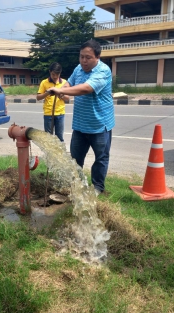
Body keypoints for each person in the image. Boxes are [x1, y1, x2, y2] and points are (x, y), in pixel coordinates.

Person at [48, 39, 115, 196]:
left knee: (101, 158)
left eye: (88, 57)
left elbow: (86, 88)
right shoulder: (78, 69)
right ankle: (77, 187)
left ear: (97, 57)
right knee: (76, 160)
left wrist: (60, 92)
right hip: (79, 125)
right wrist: (60, 89)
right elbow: (69, 84)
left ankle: (98, 187)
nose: (83, 61)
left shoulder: (103, 71)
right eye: (81, 56)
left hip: (99, 125)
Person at [36, 62, 69, 142]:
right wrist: (47, 93)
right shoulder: (44, 82)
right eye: (53, 74)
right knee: (48, 137)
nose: (55, 77)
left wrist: (59, 94)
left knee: (59, 137)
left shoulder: (64, 82)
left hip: (60, 114)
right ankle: (49, 154)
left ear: (60, 73)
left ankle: (60, 154)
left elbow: (67, 98)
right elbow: (38, 97)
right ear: (50, 72)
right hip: (48, 114)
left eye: (57, 74)